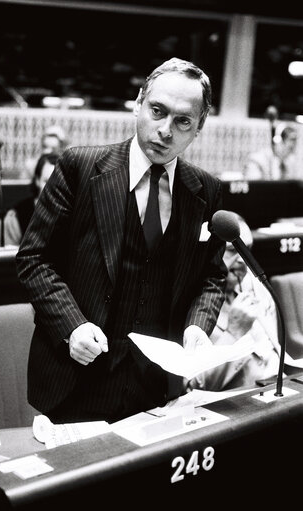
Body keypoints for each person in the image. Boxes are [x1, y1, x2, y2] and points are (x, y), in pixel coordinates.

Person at [16, 57, 227, 424]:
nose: (165, 130)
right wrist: (72, 327)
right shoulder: (79, 168)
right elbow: (34, 259)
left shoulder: (206, 191)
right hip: (77, 377)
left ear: (199, 127)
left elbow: (211, 276)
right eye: (157, 111)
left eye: (182, 122)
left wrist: (198, 327)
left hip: (157, 385)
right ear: (138, 103)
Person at [188, 213, 301, 392]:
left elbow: (275, 352)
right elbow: (195, 387)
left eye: (246, 249)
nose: (243, 260)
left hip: (280, 389)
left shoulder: (255, 284)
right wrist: (234, 333)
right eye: (233, 249)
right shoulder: (191, 306)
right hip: (237, 405)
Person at [4, 152, 58, 246]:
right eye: (46, 181)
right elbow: (9, 257)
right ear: (37, 180)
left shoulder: (72, 213)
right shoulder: (17, 216)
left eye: (57, 183)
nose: (51, 188)